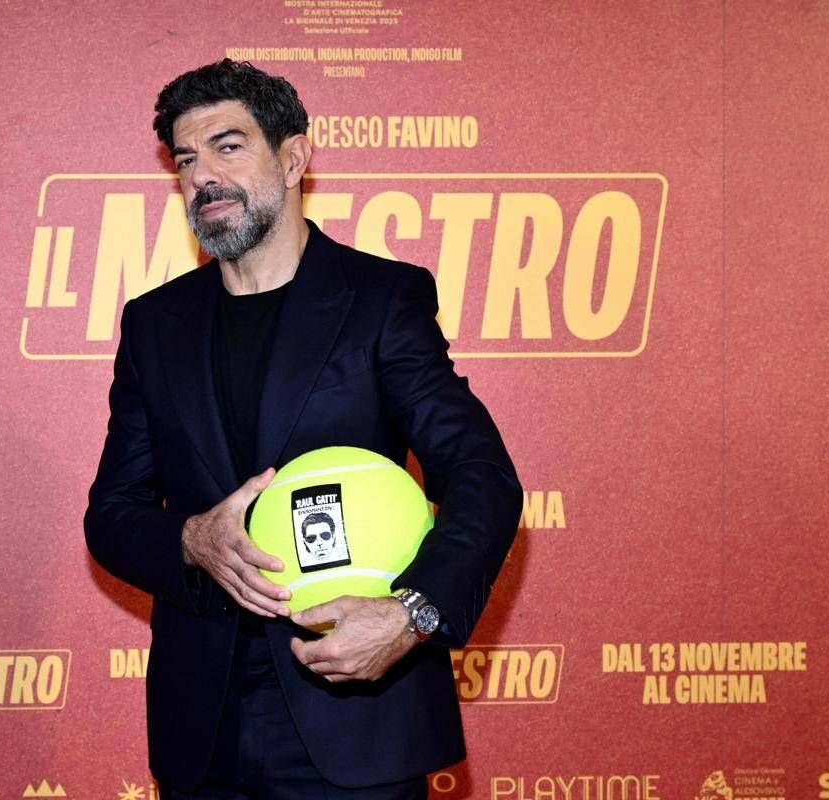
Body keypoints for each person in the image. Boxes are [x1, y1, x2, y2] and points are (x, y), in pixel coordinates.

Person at [84, 59, 522, 800]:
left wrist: (411, 615)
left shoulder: (382, 300)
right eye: (186, 160)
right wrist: (189, 539)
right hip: (204, 732)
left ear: (293, 159)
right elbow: (112, 515)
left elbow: (483, 478)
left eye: (228, 147)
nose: (203, 176)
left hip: (356, 716)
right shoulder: (155, 325)